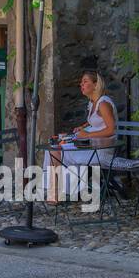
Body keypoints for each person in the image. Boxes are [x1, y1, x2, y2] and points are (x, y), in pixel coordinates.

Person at [46, 69, 118, 202]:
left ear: (96, 85)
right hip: (92, 147)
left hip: (102, 151)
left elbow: (111, 129)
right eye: (81, 82)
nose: (81, 85)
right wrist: (84, 127)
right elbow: (96, 121)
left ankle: (56, 193)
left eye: (85, 81)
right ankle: (60, 191)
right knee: (54, 147)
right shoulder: (93, 103)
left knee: (55, 150)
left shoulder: (103, 103)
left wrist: (87, 135)